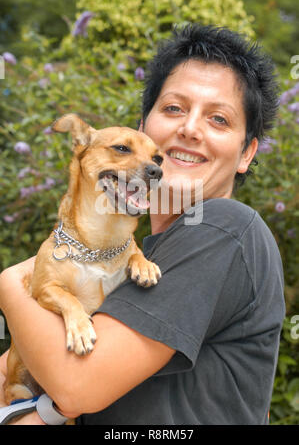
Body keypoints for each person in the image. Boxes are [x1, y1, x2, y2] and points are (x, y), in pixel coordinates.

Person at [0, 24, 285, 425]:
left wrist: (10, 285)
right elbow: (22, 369)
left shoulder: (224, 228)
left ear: (246, 153)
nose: (189, 128)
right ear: (142, 130)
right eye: (173, 109)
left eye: (218, 119)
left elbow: (77, 384)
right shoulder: (138, 256)